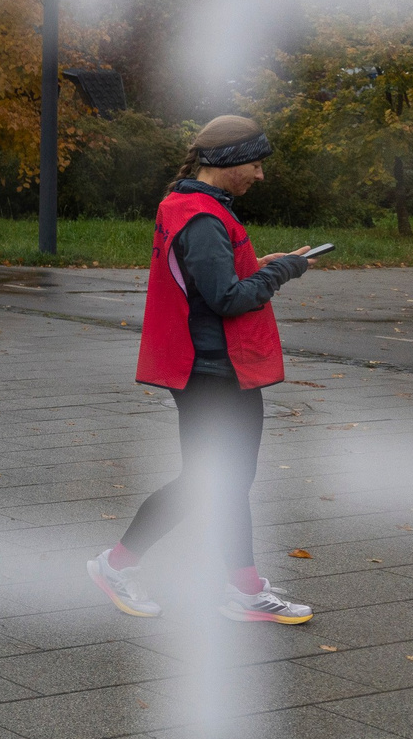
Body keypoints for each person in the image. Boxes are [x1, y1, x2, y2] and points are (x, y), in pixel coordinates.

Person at [90, 115, 317, 625]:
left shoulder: (191, 206)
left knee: (225, 480)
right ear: (228, 163)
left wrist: (260, 265)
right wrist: (282, 271)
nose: (260, 176)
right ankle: (116, 565)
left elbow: (211, 282)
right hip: (213, 369)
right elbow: (227, 299)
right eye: (255, 165)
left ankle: (244, 587)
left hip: (210, 366)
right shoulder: (203, 217)